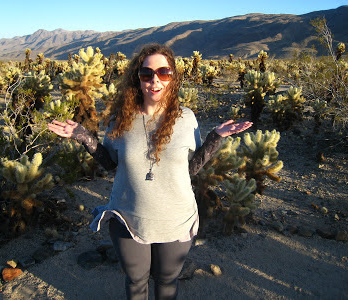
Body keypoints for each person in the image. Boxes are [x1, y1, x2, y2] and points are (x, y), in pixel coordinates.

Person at [48, 43, 252, 300]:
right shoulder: (120, 119)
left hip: (175, 218)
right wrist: (83, 136)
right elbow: (111, 164)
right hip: (129, 216)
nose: (155, 80)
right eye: (147, 74)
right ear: (138, 78)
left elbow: (190, 168)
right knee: (135, 282)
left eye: (164, 72)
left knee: (167, 281)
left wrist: (215, 137)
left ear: (173, 77)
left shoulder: (186, 118)